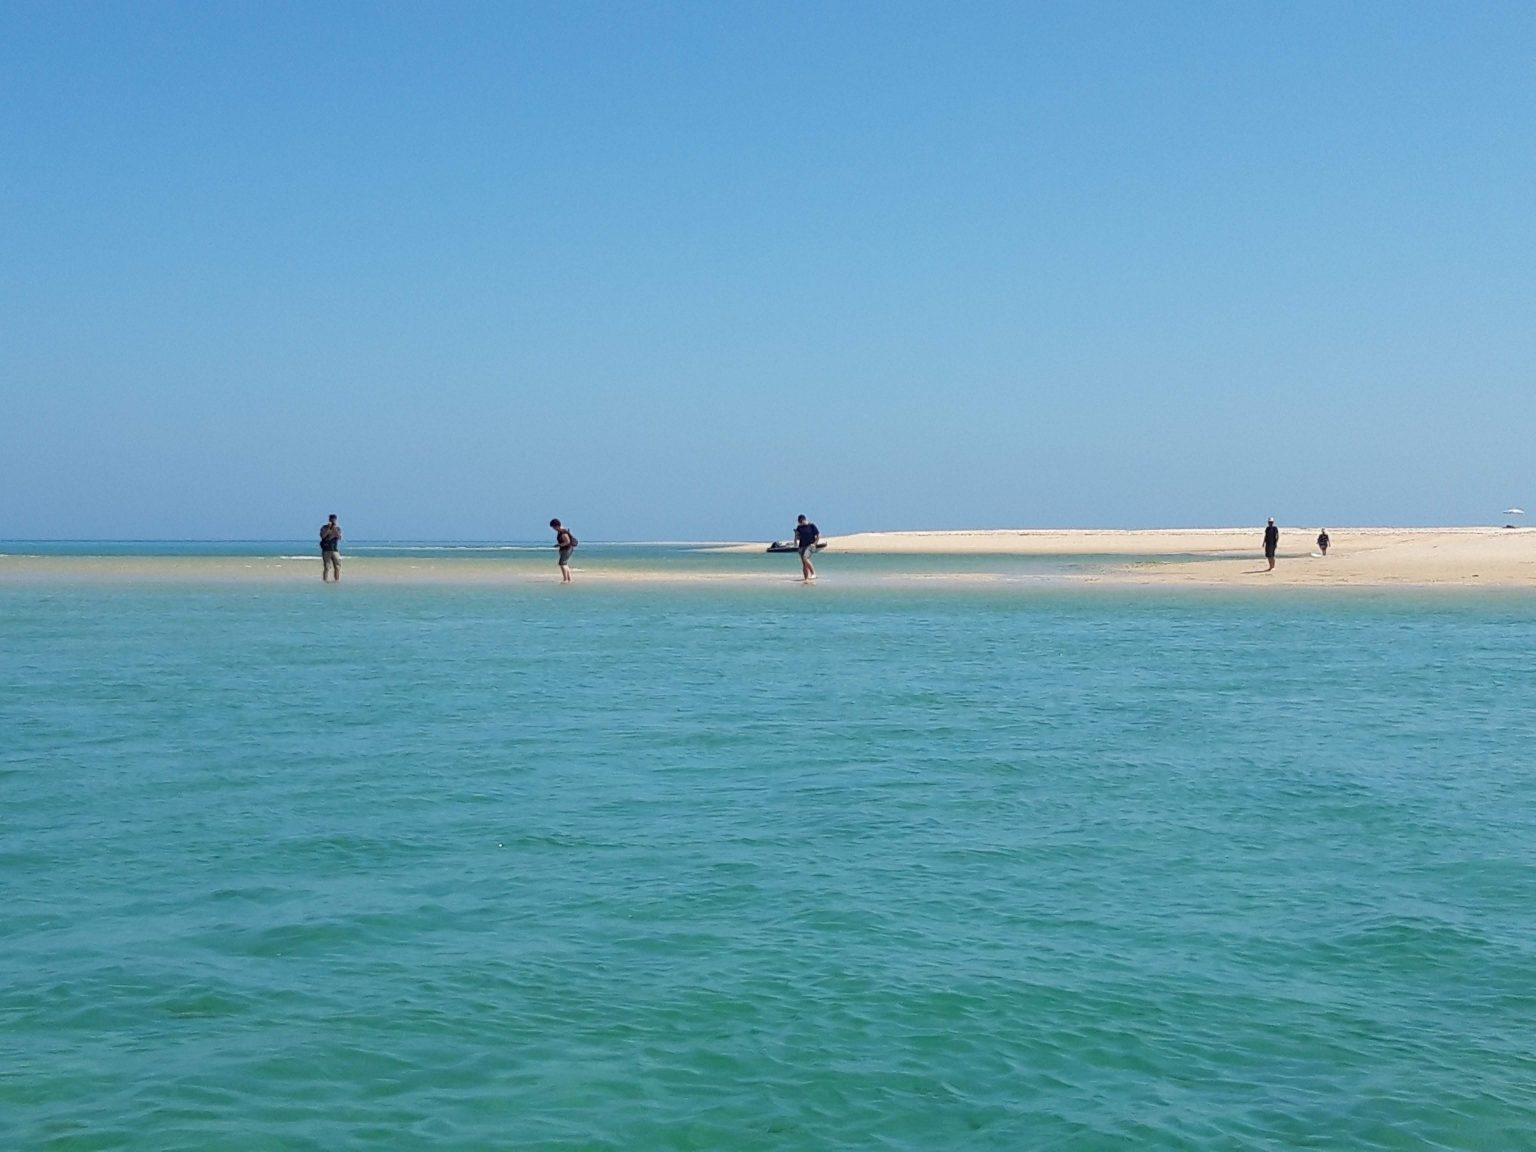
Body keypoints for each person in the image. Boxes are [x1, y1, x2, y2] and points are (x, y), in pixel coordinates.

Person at [794, 514, 820, 581]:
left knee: (805, 558)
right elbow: (797, 536)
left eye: (800, 521)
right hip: (802, 546)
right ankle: (806, 579)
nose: (799, 523)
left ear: (803, 520)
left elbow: (818, 536)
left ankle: (813, 573)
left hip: (810, 546)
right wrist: (795, 541)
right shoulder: (799, 527)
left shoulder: (811, 526)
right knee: (804, 563)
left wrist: (814, 544)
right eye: (798, 522)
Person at [550, 518, 576, 582]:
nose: (553, 529)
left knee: (562, 564)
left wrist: (558, 545)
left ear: (556, 526)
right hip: (566, 549)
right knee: (565, 564)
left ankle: (565, 579)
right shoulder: (561, 531)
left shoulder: (563, 532)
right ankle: (569, 579)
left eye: (553, 527)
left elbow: (567, 542)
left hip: (567, 549)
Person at [319, 514, 342, 582]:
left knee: (337, 567)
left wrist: (334, 528)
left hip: (335, 550)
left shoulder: (337, 528)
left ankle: (336, 580)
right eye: (332, 519)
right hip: (326, 550)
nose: (333, 521)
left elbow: (339, 537)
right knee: (327, 567)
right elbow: (323, 536)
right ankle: (325, 581)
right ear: (329, 519)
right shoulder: (324, 528)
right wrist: (329, 528)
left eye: (334, 519)